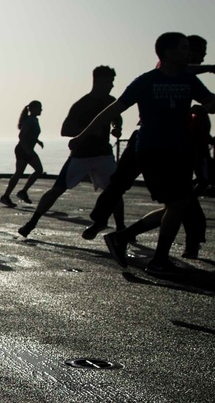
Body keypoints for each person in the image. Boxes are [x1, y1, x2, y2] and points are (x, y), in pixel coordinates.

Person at [70, 34, 215, 276]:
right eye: (183, 48)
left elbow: (211, 101)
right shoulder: (147, 81)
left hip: (178, 150)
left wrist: (208, 106)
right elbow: (114, 109)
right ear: (167, 52)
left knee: (177, 205)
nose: (187, 52)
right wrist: (81, 136)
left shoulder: (188, 80)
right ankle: (156, 260)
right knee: (178, 203)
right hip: (152, 151)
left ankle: (123, 238)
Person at [18, 67, 122, 239]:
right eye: (110, 81)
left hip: (103, 155)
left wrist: (117, 128)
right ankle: (32, 222)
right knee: (57, 189)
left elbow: (116, 118)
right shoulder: (82, 105)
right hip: (81, 155)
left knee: (115, 191)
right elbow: (65, 130)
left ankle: (121, 229)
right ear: (99, 81)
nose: (112, 85)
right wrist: (88, 131)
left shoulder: (111, 101)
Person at [0, 101, 44, 207]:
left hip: (28, 150)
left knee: (37, 170)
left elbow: (31, 134)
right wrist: (27, 149)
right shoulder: (29, 121)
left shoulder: (35, 120)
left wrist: (37, 141)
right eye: (39, 108)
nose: (41, 110)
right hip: (23, 150)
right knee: (20, 173)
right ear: (32, 109)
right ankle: (6, 196)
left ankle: (22, 192)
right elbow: (21, 136)